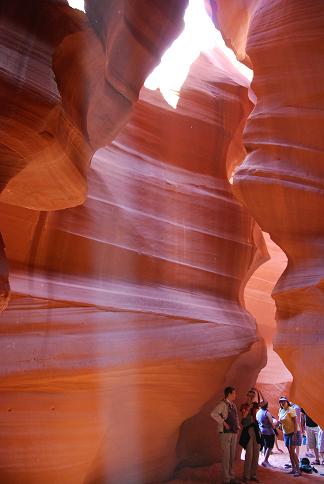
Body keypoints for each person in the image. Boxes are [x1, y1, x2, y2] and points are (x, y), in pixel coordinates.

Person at [211, 386, 241, 484]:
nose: (235, 395)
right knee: (226, 456)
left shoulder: (233, 405)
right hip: (225, 433)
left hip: (233, 432)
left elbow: (235, 416)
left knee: (232, 455)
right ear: (229, 394)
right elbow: (213, 413)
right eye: (234, 393)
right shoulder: (222, 404)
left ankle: (231, 476)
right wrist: (223, 422)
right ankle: (226, 479)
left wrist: (237, 425)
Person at [239, 388, 262, 483]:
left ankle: (253, 475)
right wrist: (249, 407)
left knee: (256, 454)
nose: (252, 397)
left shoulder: (255, 405)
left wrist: (259, 391)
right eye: (250, 395)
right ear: (247, 396)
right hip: (248, 430)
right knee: (249, 454)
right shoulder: (244, 405)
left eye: (253, 395)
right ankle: (246, 476)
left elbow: (264, 402)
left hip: (256, 430)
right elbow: (244, 416)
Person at [278, 396, 301, 477]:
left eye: (283, 401)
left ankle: (298, 470)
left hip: (293, 432)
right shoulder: (281, 410)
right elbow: (281, 421)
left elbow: (295, 422)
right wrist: (279, 425)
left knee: (292, 451)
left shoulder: (291, 409)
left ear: (287, 402)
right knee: (290, 451)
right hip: (286, 433)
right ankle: (293, 469)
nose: (282, 403)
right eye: (280, 401)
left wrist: (295, 434)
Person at [256, 400, 276, 467]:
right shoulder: (267, 413)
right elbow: (271, 424)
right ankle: (265, 460)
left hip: (261, 431)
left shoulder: (258, 412)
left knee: (265, 446)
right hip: (269, 432)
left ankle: (265, 460)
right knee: (270, 446)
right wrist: (277, 423)